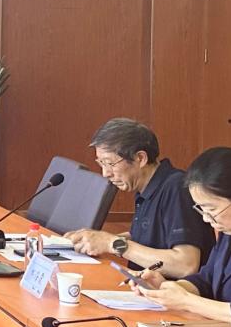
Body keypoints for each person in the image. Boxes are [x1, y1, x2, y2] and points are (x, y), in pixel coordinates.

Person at [135, 148, 231, 327]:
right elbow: (208, 278)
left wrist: (187, 302)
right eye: (201, 209)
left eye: (211, 209)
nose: (206, 219)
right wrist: (171, 287)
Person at [65, 118, 214, 278]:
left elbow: (185, 265)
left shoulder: (177, 188)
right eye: (101, 163)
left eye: (110, 163)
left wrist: (111, 243)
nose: (105, 173)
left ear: (140, 158)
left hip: (172, 291)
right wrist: (94, 240)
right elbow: (151, 239)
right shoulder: (146, 187)